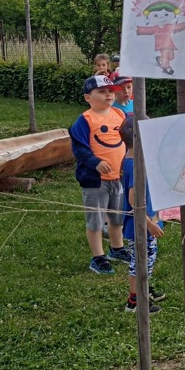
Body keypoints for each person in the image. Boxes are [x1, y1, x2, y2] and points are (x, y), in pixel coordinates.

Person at [69, 74, 135, 274]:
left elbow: (129, 137)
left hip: (119, 177)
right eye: (102, 91)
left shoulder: (119, 114)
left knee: (117, 217)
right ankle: (98, 257)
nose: (109, 95)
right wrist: (95, 162)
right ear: (88, 97)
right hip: (95, 180)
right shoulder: (85, 120)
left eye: (111, 91)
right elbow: (79, 148)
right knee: (96, 220)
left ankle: (117, 248)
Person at [118, 115, 166, 313]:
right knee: (139, 262)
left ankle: (143, 290)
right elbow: (134, 201)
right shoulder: (135, 166)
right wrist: (149, 224)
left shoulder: (132, 160)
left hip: (143, 223)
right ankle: (135, 301)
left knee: (144, 260)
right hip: (140, 226)